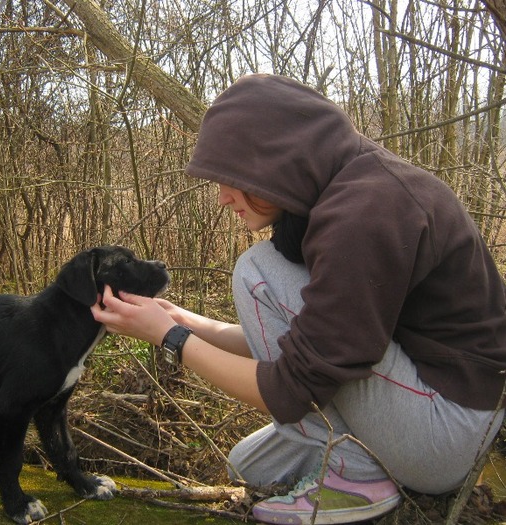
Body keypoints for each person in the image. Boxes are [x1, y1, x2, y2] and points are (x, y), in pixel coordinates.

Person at [90, 74, 506, 524]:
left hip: (448, 429)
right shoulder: (340, 192)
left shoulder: (366, 212)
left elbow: (293, 386)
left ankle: (358, 478)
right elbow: (316, 342)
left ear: (277, 158)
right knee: (246, 466)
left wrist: (169, 336)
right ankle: (360, 469)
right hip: (427, 409)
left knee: (257, 271)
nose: (223, 198)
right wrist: (185, 321)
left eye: (232, 177)